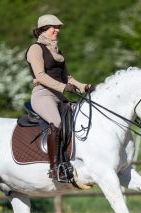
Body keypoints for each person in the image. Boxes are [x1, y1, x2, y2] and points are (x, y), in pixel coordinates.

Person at [25, 14, 92, 181]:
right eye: (53, 27)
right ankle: (55, 168)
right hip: (43, 95)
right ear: (43, 30)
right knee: (56, 122)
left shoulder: (57, 51)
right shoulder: (35, 49)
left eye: (58, 28)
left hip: (59, 95)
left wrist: (83, 86)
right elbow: (40, 76)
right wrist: (63, 87)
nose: (57, 30)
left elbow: (67, 77)